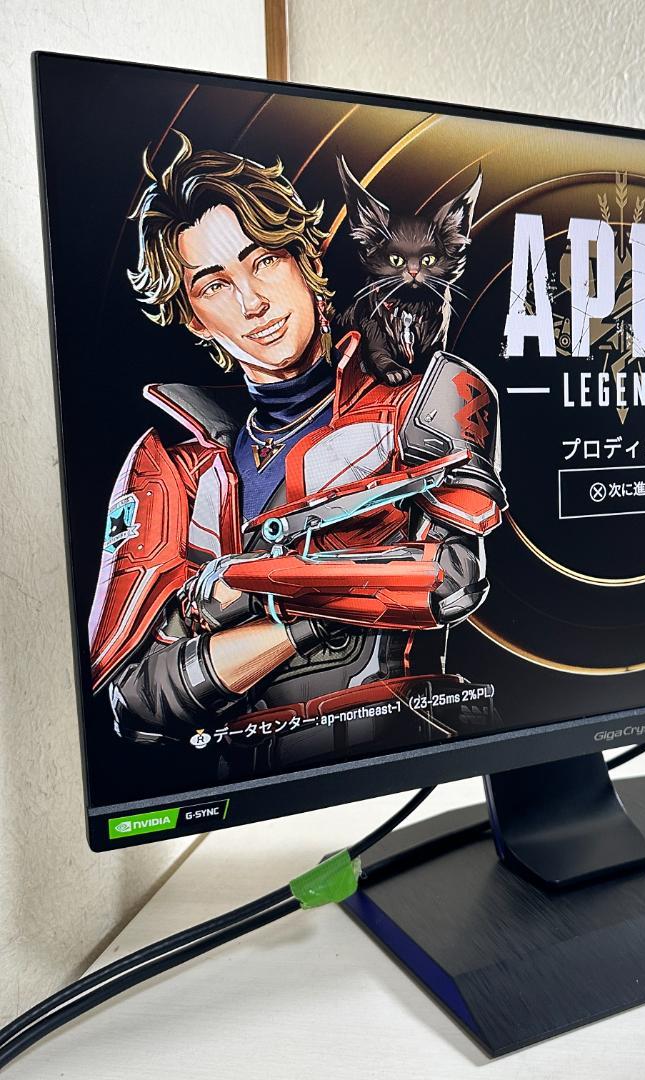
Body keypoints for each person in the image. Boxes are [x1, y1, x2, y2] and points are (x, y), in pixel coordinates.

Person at [89, 133, 505, 774]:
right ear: (194, 318)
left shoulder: (425, 398)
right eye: (214, 285)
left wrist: (241, 593)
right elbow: (138, 699)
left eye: (263, 261)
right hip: (244, 793)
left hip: (399, 759)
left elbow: (447, 580)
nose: (252, 302)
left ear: (305, 259)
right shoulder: (173, 467)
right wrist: (315, 615)